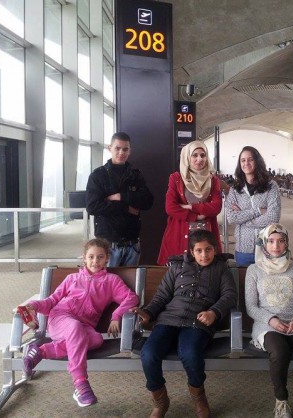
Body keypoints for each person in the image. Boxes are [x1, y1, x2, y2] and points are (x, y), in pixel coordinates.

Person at [20, 238, 139, 407]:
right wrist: (33, 306)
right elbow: (51, 301)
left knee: (96, 339)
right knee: (75, 328)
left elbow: (131, 298)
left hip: (84, 326)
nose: (95, 261)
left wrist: (116, 316)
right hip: (60, 318)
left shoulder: (112, 281)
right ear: (84, 258)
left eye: (100, 257)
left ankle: (41, 351)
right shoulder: (72, 278)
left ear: (107, 258)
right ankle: (80, 383)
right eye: (91, 257)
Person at [132, 229, 237, 418]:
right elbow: (162, 296)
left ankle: (199, 396)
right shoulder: (177, 267)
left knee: (189, 354)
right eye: (199, 251)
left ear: (215, 249)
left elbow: (230, 295)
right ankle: (160, 400)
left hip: (198, 321)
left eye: (208, 250)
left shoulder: (221, 269)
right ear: (191, 252)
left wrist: (214, 312)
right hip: (169, 319)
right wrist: (148, 312)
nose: (204, 255)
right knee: (149, 354)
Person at [245, 224, 293, 418]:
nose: (276, 246)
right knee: (279, 352)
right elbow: (251, 307)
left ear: (287, 243)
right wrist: (271, 320)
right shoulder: (254, 270)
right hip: (266, 324)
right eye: (271, 241)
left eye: (281, 241)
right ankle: (281, 400)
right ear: (264, 244)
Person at [86, 132, 154, 267]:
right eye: (117, 148)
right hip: (108, 244)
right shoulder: (98, 175)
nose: (121, 152)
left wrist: (121, 196)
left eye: (125, 149)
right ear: (109, 148)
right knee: (106, 280)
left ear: (130, 151)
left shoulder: (135, 175)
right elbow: (93, 207)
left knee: (130, 280)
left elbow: (147, 201)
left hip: (132, 243)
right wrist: (126, 207)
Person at [157, 141, 222, 265]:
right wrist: (196, 216)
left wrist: (190, 206)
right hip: (180, 234)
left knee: (206, 270)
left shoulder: (213, 180)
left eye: (203, 155)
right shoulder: (176, 178)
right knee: (179, 270)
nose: (199, 159)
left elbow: (216, 207)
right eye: (195, 155)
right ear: (187, 157)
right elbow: (170, 207)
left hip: (205, 236)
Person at [226, 146, 281, 267]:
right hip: (243, 249)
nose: (246, 163)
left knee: (268, 279)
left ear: (257, 161)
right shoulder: (235, 189)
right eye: (243, 160)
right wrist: (258, 211)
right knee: (245, 279)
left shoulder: (271, 186)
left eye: (250, 159)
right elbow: (231, 218)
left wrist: (242, 219)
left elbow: (273, 217)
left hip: (267, 248)